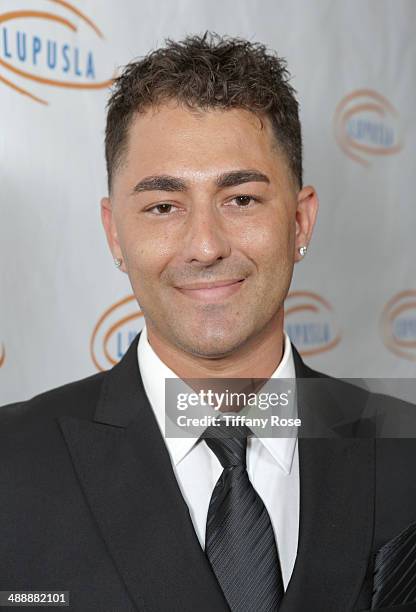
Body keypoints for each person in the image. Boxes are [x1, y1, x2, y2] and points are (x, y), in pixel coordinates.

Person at [1, 32, 416, 612]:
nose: (204, 246)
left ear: (300, 223)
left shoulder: (405, 452)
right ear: (114, 233)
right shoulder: (10, 465)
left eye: (241, 199)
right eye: (163, 206)